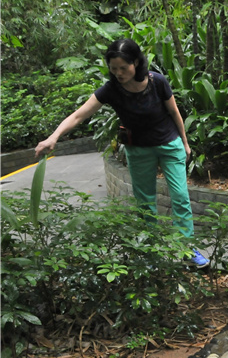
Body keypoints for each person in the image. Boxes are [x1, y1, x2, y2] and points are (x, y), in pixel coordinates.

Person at [35, 38, 209, 267]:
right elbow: (79, 115)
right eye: (113, 68)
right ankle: (151, 252)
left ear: (135, 62)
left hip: (169, 145)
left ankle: (187, 249)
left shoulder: (157, 82)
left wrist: (185, 144)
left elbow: (175, 113)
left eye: (123, 68)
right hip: (138, 150)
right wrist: (54, 136)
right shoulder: (111, 90)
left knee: (180, 197)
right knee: (145, 202)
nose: (118, 73)